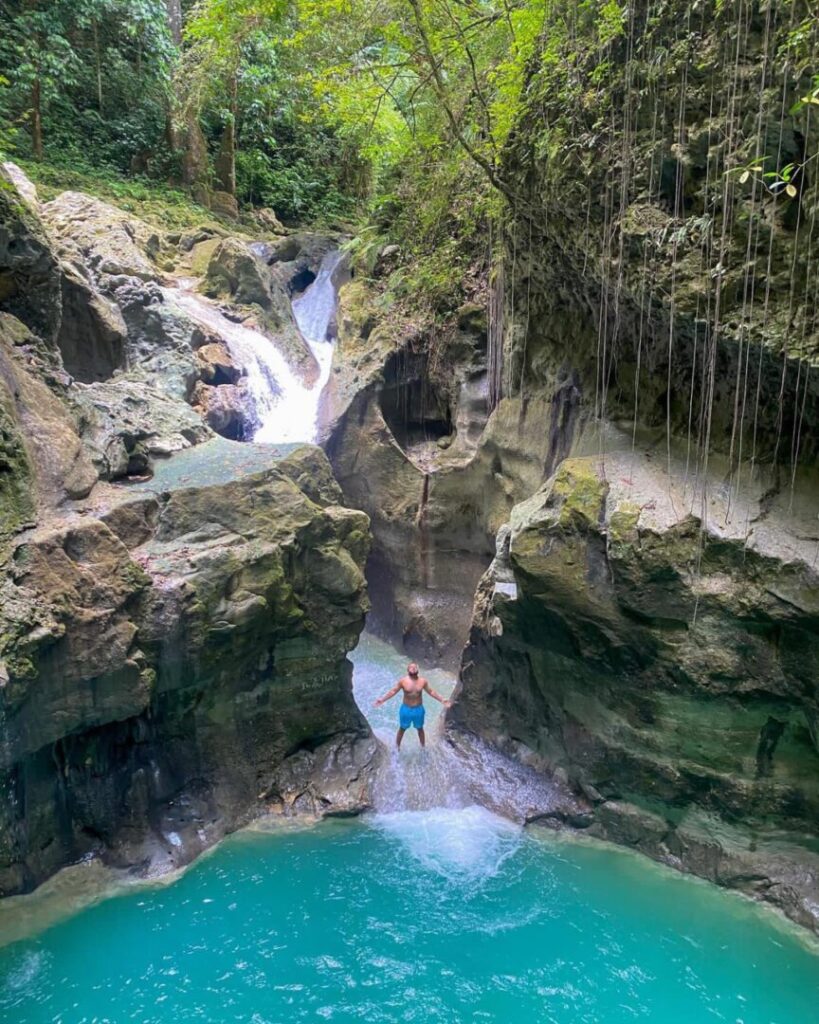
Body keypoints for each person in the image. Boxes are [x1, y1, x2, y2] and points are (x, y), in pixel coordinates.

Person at [373, 662, 452, 749]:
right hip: (406, 709)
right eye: (411, 667)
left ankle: (423, 748)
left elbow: (431, 691)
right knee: (402, 728)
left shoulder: (422, 681)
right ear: (408, 670)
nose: (413, 668)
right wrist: (382, 699)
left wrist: (441, 699)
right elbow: (393, 691)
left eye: (415, 667)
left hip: (418, 709)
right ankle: (397, 748)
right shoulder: (403, 681)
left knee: (420, 729)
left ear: (418, 669)